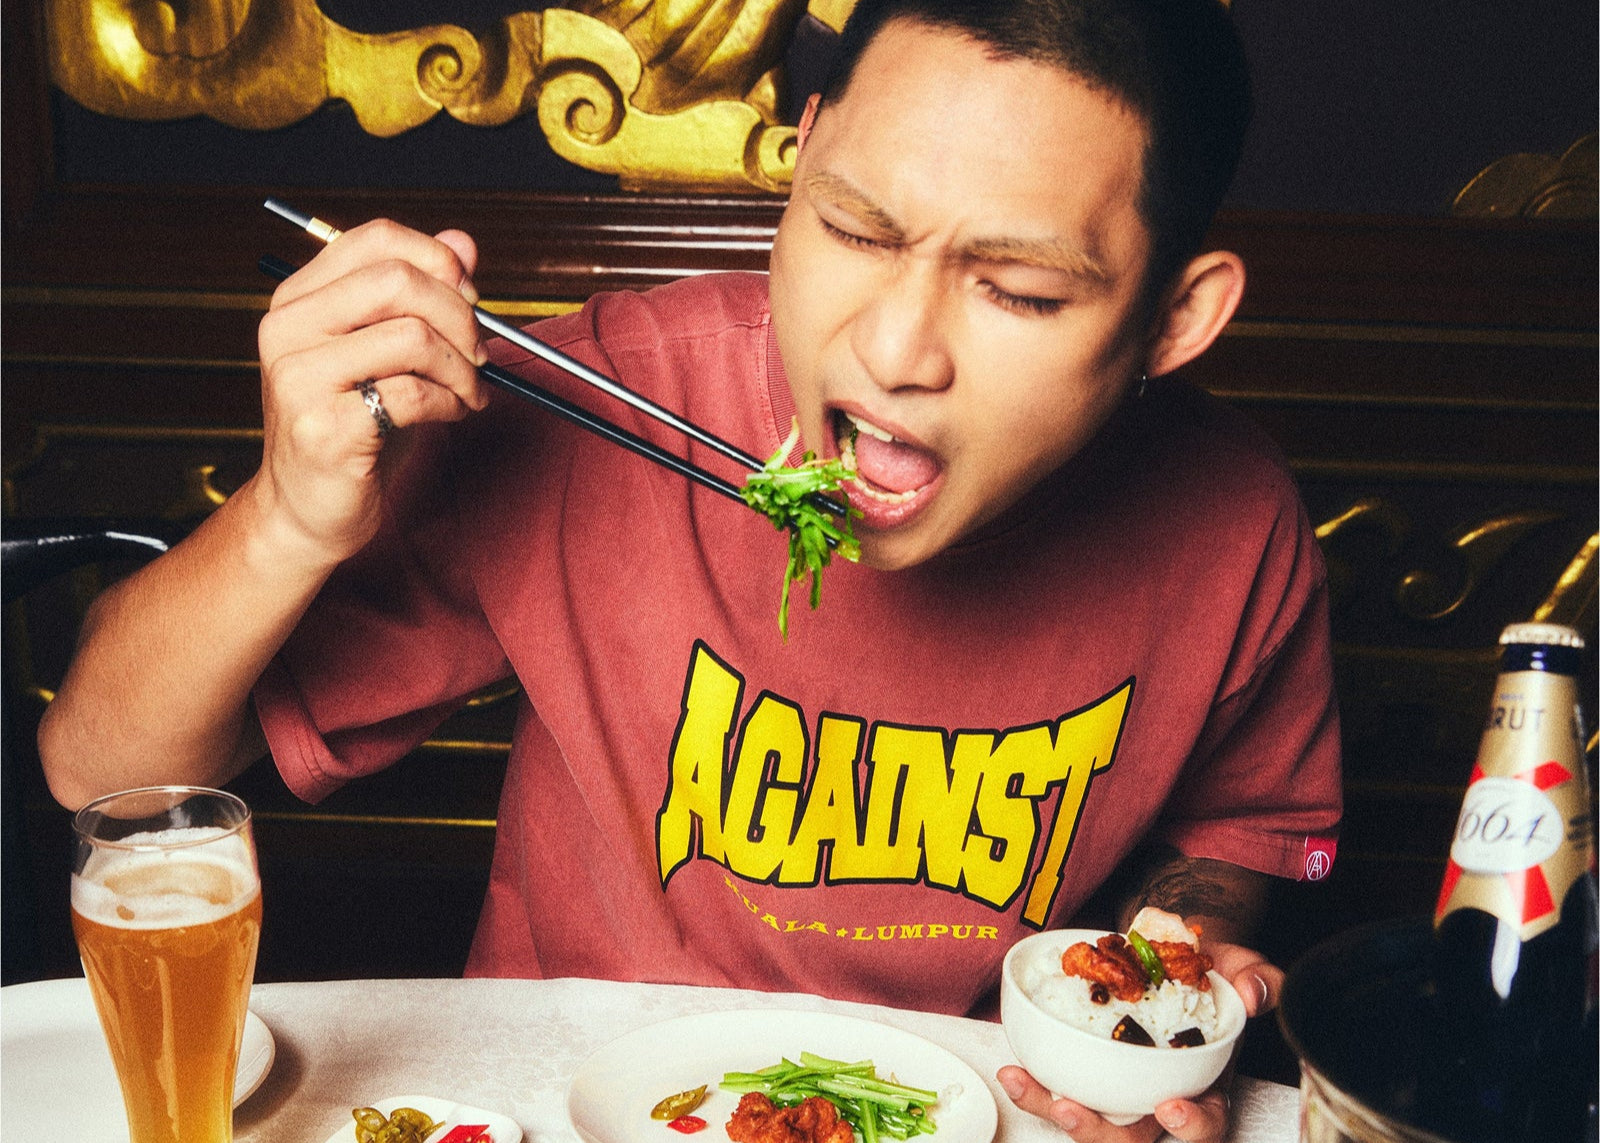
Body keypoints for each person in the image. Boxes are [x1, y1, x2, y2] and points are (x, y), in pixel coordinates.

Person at [39, 0, 1342, 1139]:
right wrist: (287, 516)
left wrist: (1176, 955)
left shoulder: (1231, 523)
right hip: (573, 1106)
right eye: (854, 227)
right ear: (805, 145)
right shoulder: (601, 400)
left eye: (1017, 292)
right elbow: (98, 768)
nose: (894, 351)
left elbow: (1244, 835)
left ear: (1175, 317)